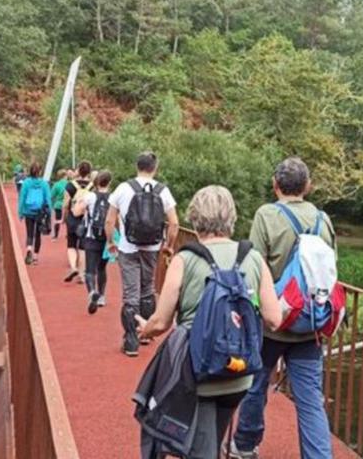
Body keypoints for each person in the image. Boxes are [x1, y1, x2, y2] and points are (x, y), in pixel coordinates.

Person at [136, 185, 282, 455]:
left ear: (195, 217)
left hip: (198, 372)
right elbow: (274, 318)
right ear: (231, 217)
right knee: (211, 441)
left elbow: (161, 322)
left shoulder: (185, 259)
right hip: (239, 373)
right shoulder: (253, 258)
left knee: (199, 448)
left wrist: (145, 330)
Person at [229, 157, 336, 459]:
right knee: (311, 400)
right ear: (308, 186)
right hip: (310, 322)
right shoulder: (322, 219)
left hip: (272, 321)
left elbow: (253, 267)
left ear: (275, 185)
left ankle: (245, 445)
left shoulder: (267, 215)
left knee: (256, 385)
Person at [105, 151, 179, 357]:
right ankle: (145, 333)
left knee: (131, 294)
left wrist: (111, 241)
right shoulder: (163, 191)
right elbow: (174, 223)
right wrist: (169, 245)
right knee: (147, 290)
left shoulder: (123, 188)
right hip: (152, 248)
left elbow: (109, 220)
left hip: (128, 248)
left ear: (137, 166)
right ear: (155, 168)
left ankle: (130, 341)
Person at [73, 170, 114, 314]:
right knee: (102, 268)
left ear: (96, 182)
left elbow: (76, 212)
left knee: (90, 269)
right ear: (109, 182)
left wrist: (80, 204)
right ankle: (102, 296)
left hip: (91, 236)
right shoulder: (114, 197)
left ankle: (92, 292)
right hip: (108, 238)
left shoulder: (90, 196)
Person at [62, 161, 93, 283]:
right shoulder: (92, 186)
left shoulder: (70, 185)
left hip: (73, 218)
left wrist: (65, 217)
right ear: (89, 172)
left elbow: (65, 204)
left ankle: (73, 267)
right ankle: (81, 274)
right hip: (86, 218)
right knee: (83, 247)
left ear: (78, 171)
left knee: (71, 245)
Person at [17, 162, 52, 265]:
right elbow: (48, 198)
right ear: (40, 171)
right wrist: (49, 211)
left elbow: (22, 198)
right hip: (40, 212)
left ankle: (29, 250)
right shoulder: (44, 184)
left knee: (29, 233)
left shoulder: (26, 183)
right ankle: (36, 257)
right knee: (38, 234)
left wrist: (20, 212)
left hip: (28, 211)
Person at [50, 169, 69, 240]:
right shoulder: (69, 184)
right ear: (65, 176)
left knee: (57, 219)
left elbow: (52, 195)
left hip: (58, 205)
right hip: (67, 204)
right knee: (68, 221)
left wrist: (52, 204)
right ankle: (68, 235)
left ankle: (55, 236)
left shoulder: (56, 184)